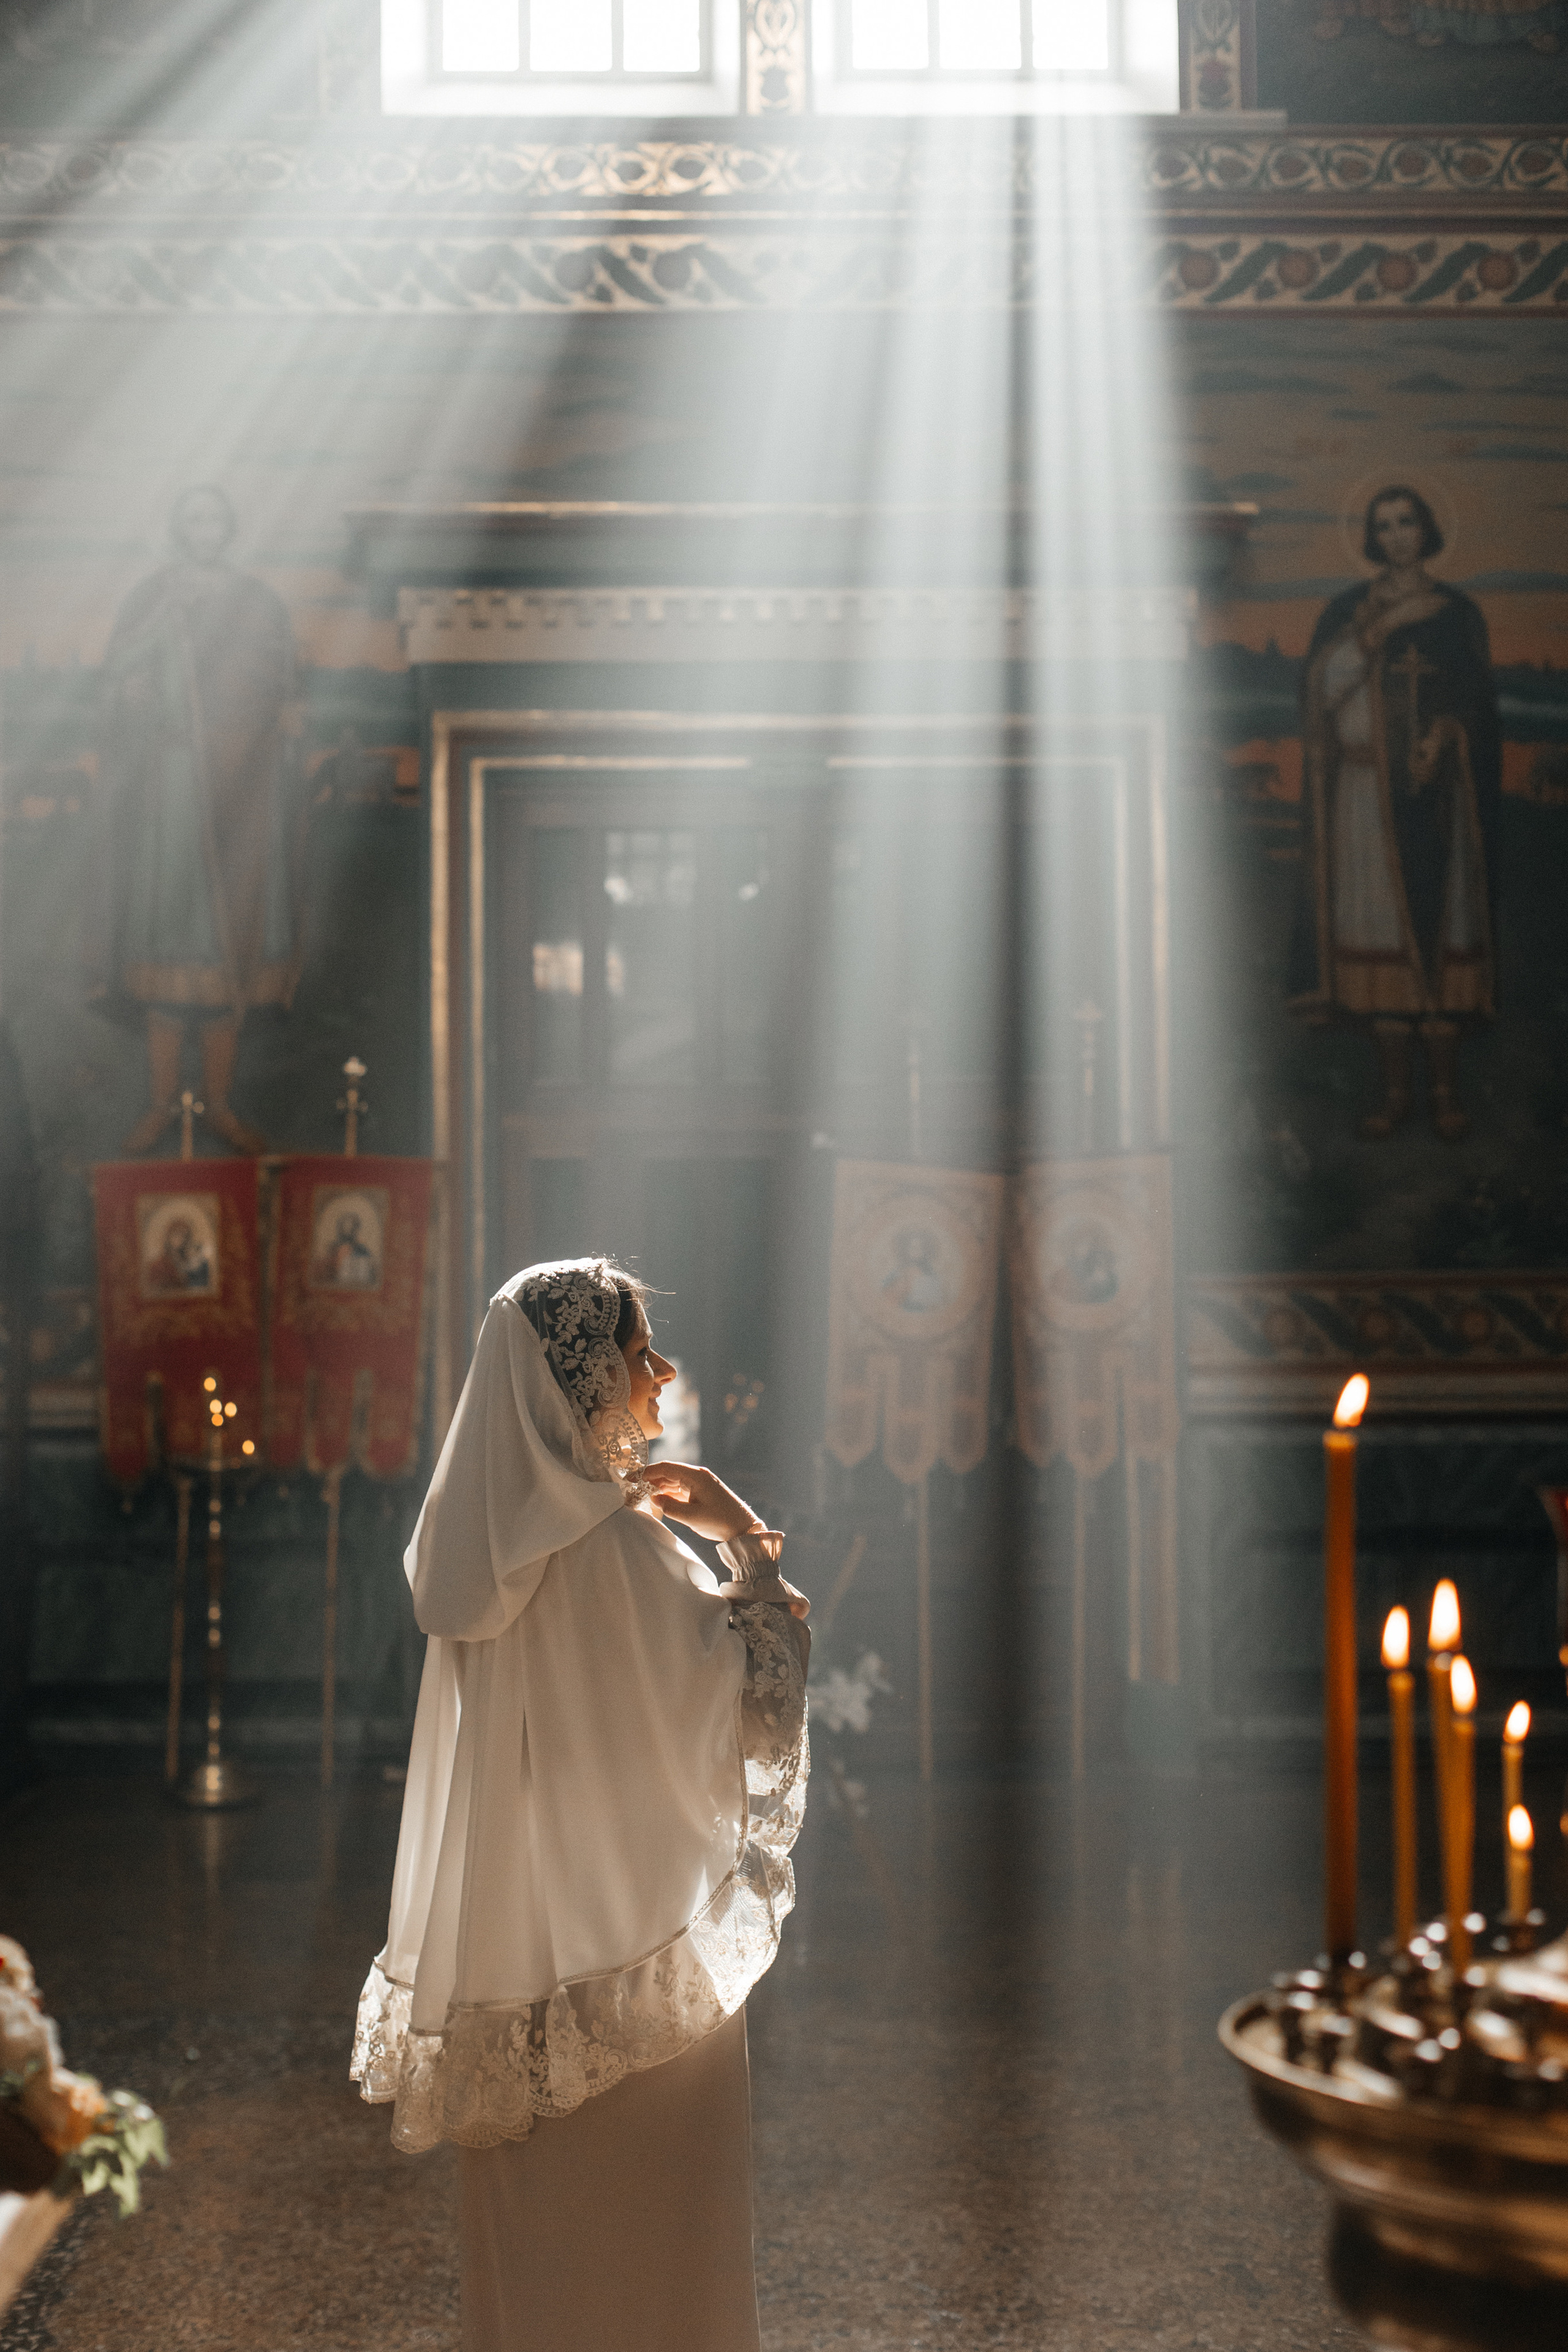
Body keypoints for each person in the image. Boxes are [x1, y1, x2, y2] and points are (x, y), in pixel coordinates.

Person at [352, 1257, 810, 2352]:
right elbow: (755, 1692)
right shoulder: (613, 1545)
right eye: (636, 1351)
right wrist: (743, 1538)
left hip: (514, 1979)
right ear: (584, 1378)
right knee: (655, 2263)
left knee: (538, 2265)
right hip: (636, 1977)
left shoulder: (484, 1555)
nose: (659, 1374)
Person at [86, 484, 303, 1156]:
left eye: (214, 518)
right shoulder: (154, 598)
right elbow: (118, 676)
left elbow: (277, 679)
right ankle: (160, 1106)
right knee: (170, 944)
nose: (204, 530)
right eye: (192, 519)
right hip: (173, 792)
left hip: (236, 790)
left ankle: (218, 1106)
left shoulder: (255, 602)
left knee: (222, 947)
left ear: (228, 528)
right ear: (180, 529)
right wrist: (158, 632)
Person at [1288, 484, 1501, 1142]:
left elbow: (1480, 708)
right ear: (1372, 538)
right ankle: (1394, 1094)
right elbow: (1319, 692)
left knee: (1436, 932)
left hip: (1435, 800)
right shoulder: (1347, 611)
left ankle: (1443, 1092)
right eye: (1383, 526)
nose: (1396, 535)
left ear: (1427, 529)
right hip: (1359, 795)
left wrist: (1447, 736)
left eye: (1407, 522)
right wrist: (1373, 635)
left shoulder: (1455, 613)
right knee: (1377, 942)